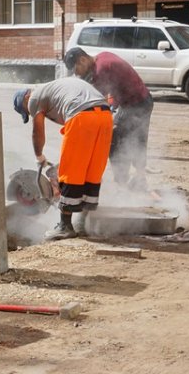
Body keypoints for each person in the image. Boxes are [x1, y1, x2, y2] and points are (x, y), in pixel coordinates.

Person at [12, 76, 113, 240]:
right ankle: (83, 223)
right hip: (105, 116)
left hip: (82, 116)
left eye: (27, 111)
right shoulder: (55, 89)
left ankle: (65, 226)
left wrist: (39, 156)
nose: (30, 113)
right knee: (91, 171)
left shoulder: (34, 97)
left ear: (25, 99)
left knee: (71, 172)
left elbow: (37, 132)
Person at [63, 47, 155, 188]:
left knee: (113, 138)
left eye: (76, 69)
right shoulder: (101, 57)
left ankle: (122, 182)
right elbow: (114, 88)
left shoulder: (102, 68)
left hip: (136, 104)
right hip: (137, 101)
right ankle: (139, 178)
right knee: (136, 139)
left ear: (82, 59)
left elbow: (94, 99)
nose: (77, 74)